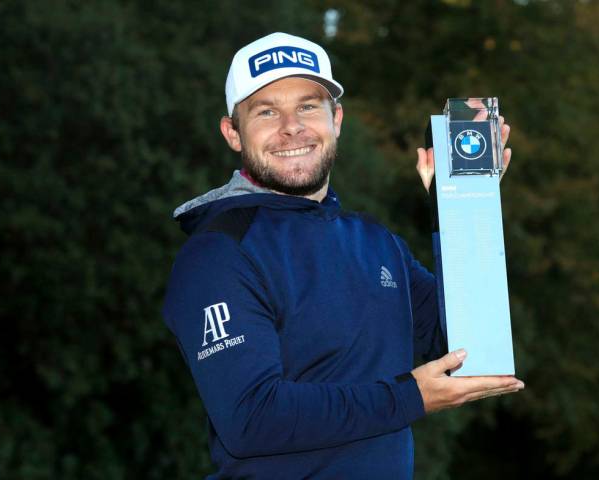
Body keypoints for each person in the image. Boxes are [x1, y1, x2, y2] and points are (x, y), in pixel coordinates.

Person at [162, 32, 523, 480]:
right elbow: (251, 418)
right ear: (232, 133)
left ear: (337, 119)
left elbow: (467, 350)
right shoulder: (217, 252)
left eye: (308, 106)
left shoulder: (376, 242)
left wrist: (462, 211)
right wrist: (410, 397)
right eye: (267, 111)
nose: (291, 126)